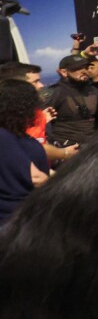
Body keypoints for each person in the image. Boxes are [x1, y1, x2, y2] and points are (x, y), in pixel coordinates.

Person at [0, 78, 50, 225]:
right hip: (16, 221)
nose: (42, 86)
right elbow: (35, 177)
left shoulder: (15, 135)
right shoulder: (3, 136)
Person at [43, 55, 98, 147]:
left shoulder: (91, 90)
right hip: (64, 148)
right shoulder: (55, 91)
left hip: (89, 146)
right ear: (64, 72)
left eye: (85, 67)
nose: (84, 71)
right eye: (78, 68)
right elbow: (39, 121)